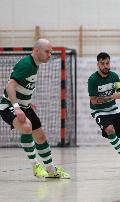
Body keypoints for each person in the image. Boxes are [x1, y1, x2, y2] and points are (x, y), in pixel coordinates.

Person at [0, 39, 70, 179]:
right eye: (47, 51)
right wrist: (16, 107)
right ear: (36, 50)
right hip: (8, 106)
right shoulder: (27, 65)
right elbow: (10, 86)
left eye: (51, 52)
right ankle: (35, 165)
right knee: (27, 127)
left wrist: (27, 102)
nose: (50, 54)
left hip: (24, 105)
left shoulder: (35, 65)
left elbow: (23, 86)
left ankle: (50, 169)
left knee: (40, 137)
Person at [88, 52, 120, 167]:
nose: (105, 66)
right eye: (102, 63)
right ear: (98, 64)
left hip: (113, 109)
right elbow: (94, 100)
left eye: (107, 63)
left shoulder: (114, 76)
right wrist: (112, 97)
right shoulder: (93, 79)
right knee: (110, 129)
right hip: (99, 111)